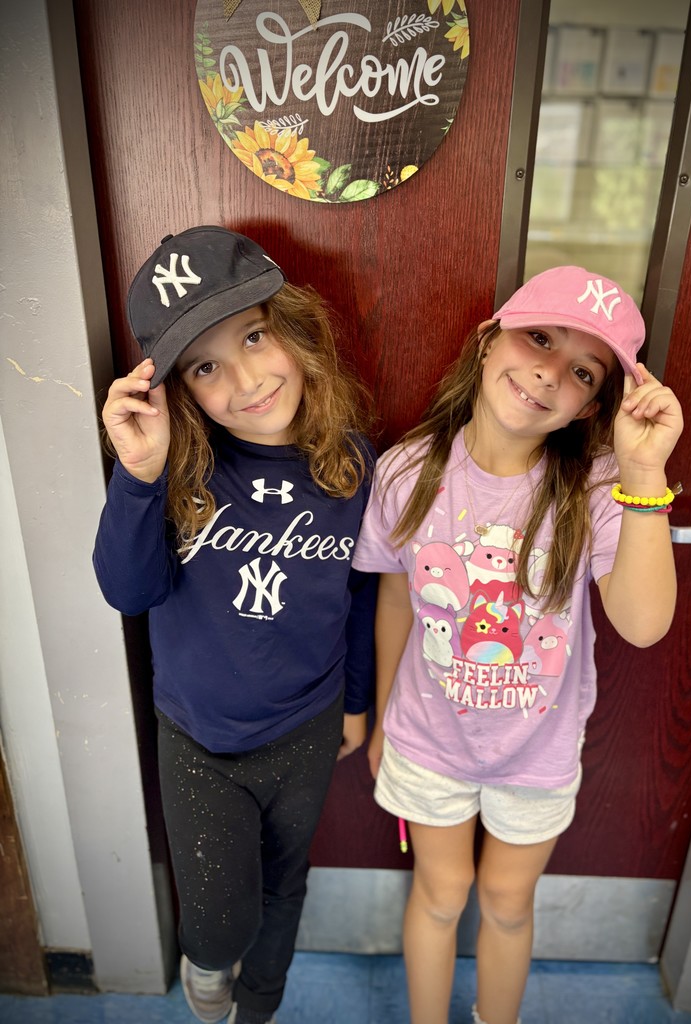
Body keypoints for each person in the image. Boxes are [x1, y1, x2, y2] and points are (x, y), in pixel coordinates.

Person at [352, 265, 684, 1024]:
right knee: (441, 894)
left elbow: (642, 623)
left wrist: (643, 468)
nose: (546, 371)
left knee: (505, 899)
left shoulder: (599, 488)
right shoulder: (407, 470)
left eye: (580, 370)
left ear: (592, 406)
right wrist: (377, 718)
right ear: (485, 340)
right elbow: (396, 592)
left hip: (536, 751)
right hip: (428, 740)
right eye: (538, 337)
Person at [93, 225, 376, 1024]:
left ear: (294, 328)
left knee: (286, 883)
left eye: (255, 336)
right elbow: (126, 590)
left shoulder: (353, 466)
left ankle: (261, 1007)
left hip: (308, 727)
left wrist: (355, 701)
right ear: (180, 389)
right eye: (208, 366)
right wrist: (140, 476)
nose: (248, 378)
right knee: (221, 922)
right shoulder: (184, 468)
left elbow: (361, 599)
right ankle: (211, 964)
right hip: (201, 740)